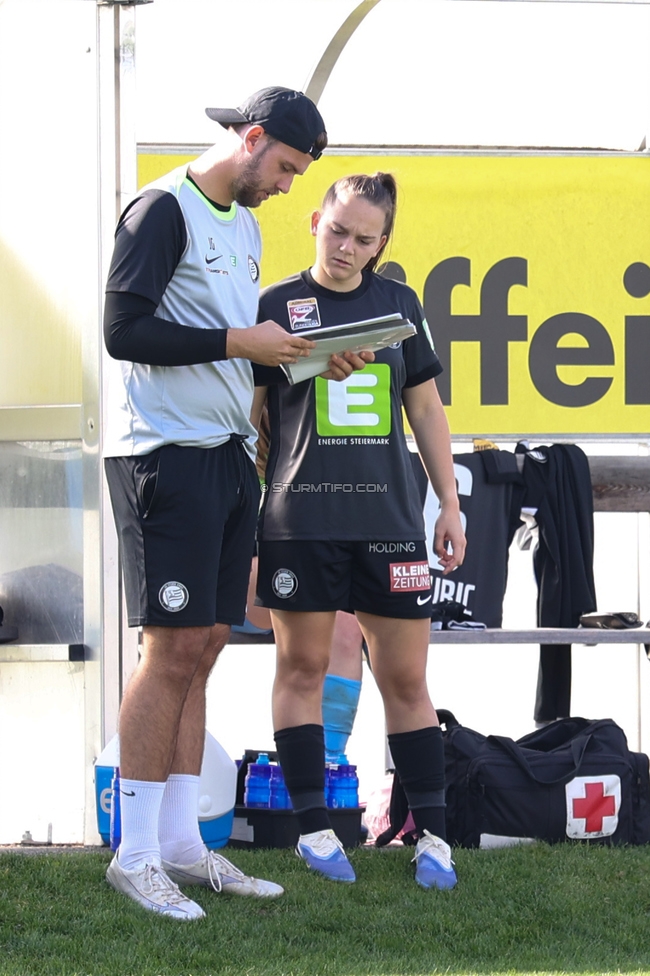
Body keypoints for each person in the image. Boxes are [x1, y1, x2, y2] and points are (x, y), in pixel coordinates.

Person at [102, 87, 368, 920]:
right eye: (286, 167)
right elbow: (122, 330)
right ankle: (133, 855)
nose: (290, 186)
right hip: (161, 458)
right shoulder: (161, 210)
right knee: (169, 650)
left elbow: (237, 354)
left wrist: (301, 361)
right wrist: (236, 342)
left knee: (209, 644)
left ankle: (182, 844)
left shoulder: (243, 226)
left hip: (223, 457)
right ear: (251, 140)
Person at [252, 172, 466, 890]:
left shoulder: (399, 304)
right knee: (302, 668)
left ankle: (434, 836)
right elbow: (252, 420)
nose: (346, 247)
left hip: (389, 521)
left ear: (382, 244)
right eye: (336, 230)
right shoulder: (274, 306)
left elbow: (427, 412)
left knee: (405, 677)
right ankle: (314, 828)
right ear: (315, 220)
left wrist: (450, 503)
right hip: (300, 519)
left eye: (363, 239)